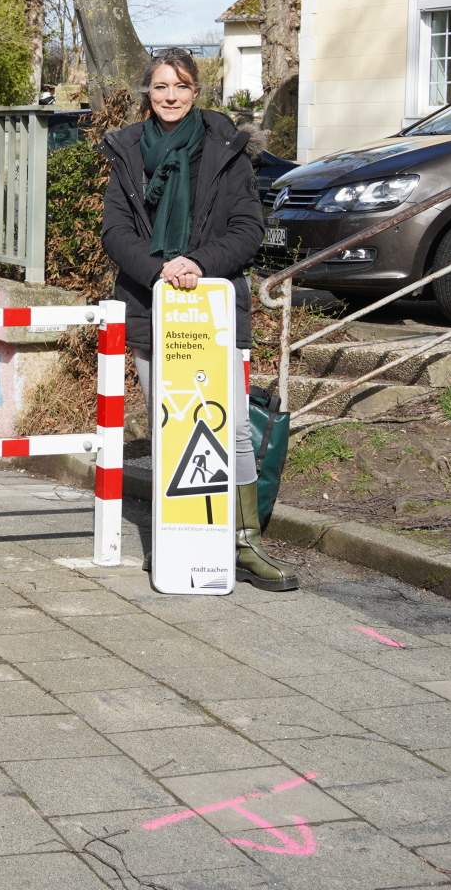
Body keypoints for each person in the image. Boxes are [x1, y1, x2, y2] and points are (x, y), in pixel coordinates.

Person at [101, 50, 297, 591]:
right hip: (151, 305)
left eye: (181, 86)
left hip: (213, 311)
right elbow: (115, 231)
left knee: (230, 431)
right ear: (147, 91)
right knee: (168, 430)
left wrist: (199, 263)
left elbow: (247, 228)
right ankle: (180, 540)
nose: (170, 96)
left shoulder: (225, 149)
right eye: (160, 86)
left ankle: (243, 542)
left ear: (196, 92)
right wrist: (161, 270)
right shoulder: (127, 150)